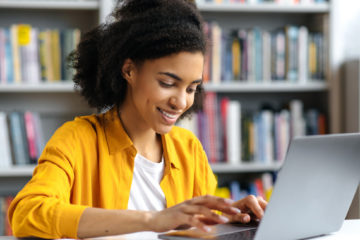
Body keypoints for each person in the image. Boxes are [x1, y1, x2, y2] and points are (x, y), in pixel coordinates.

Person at [8, 0, 267, 238]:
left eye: (191, 88)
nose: (181, 102)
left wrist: (229, 218)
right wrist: (152, 219)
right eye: (167, 83)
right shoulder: (78, 140)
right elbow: (27, 214)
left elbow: (191, 230)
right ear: (129, 70)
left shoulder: (188, 149)